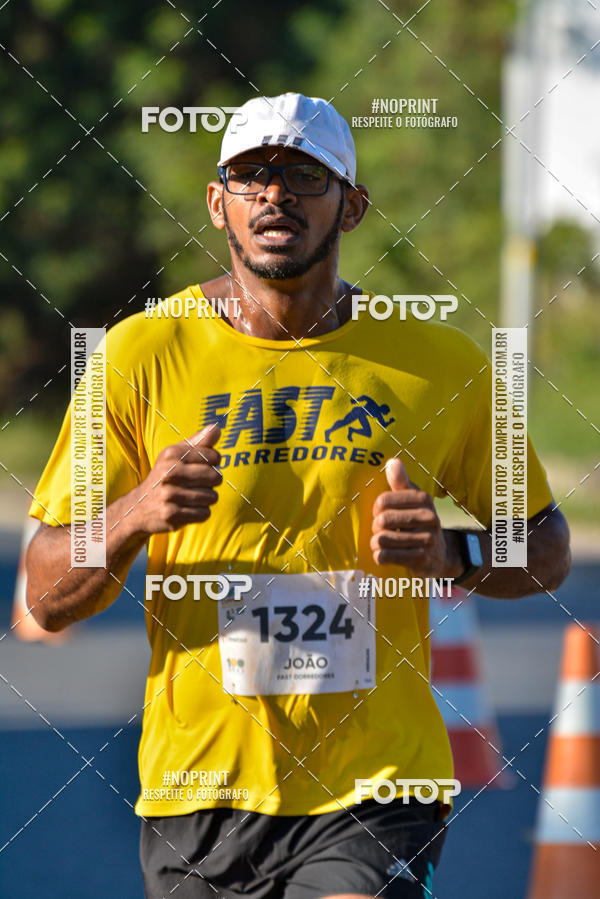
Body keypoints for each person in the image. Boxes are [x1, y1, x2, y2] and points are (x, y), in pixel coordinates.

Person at [26, 92, 570, 898]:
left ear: (351, 207)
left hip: (378, 784)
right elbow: (45, 589)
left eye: (304, 176)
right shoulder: (136, 356)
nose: (274, 194)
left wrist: (451, 552)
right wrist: (136, 512)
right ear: (219, 205)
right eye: (251, 177)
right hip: (200, 787)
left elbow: (547, 543)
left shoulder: (441, 364)